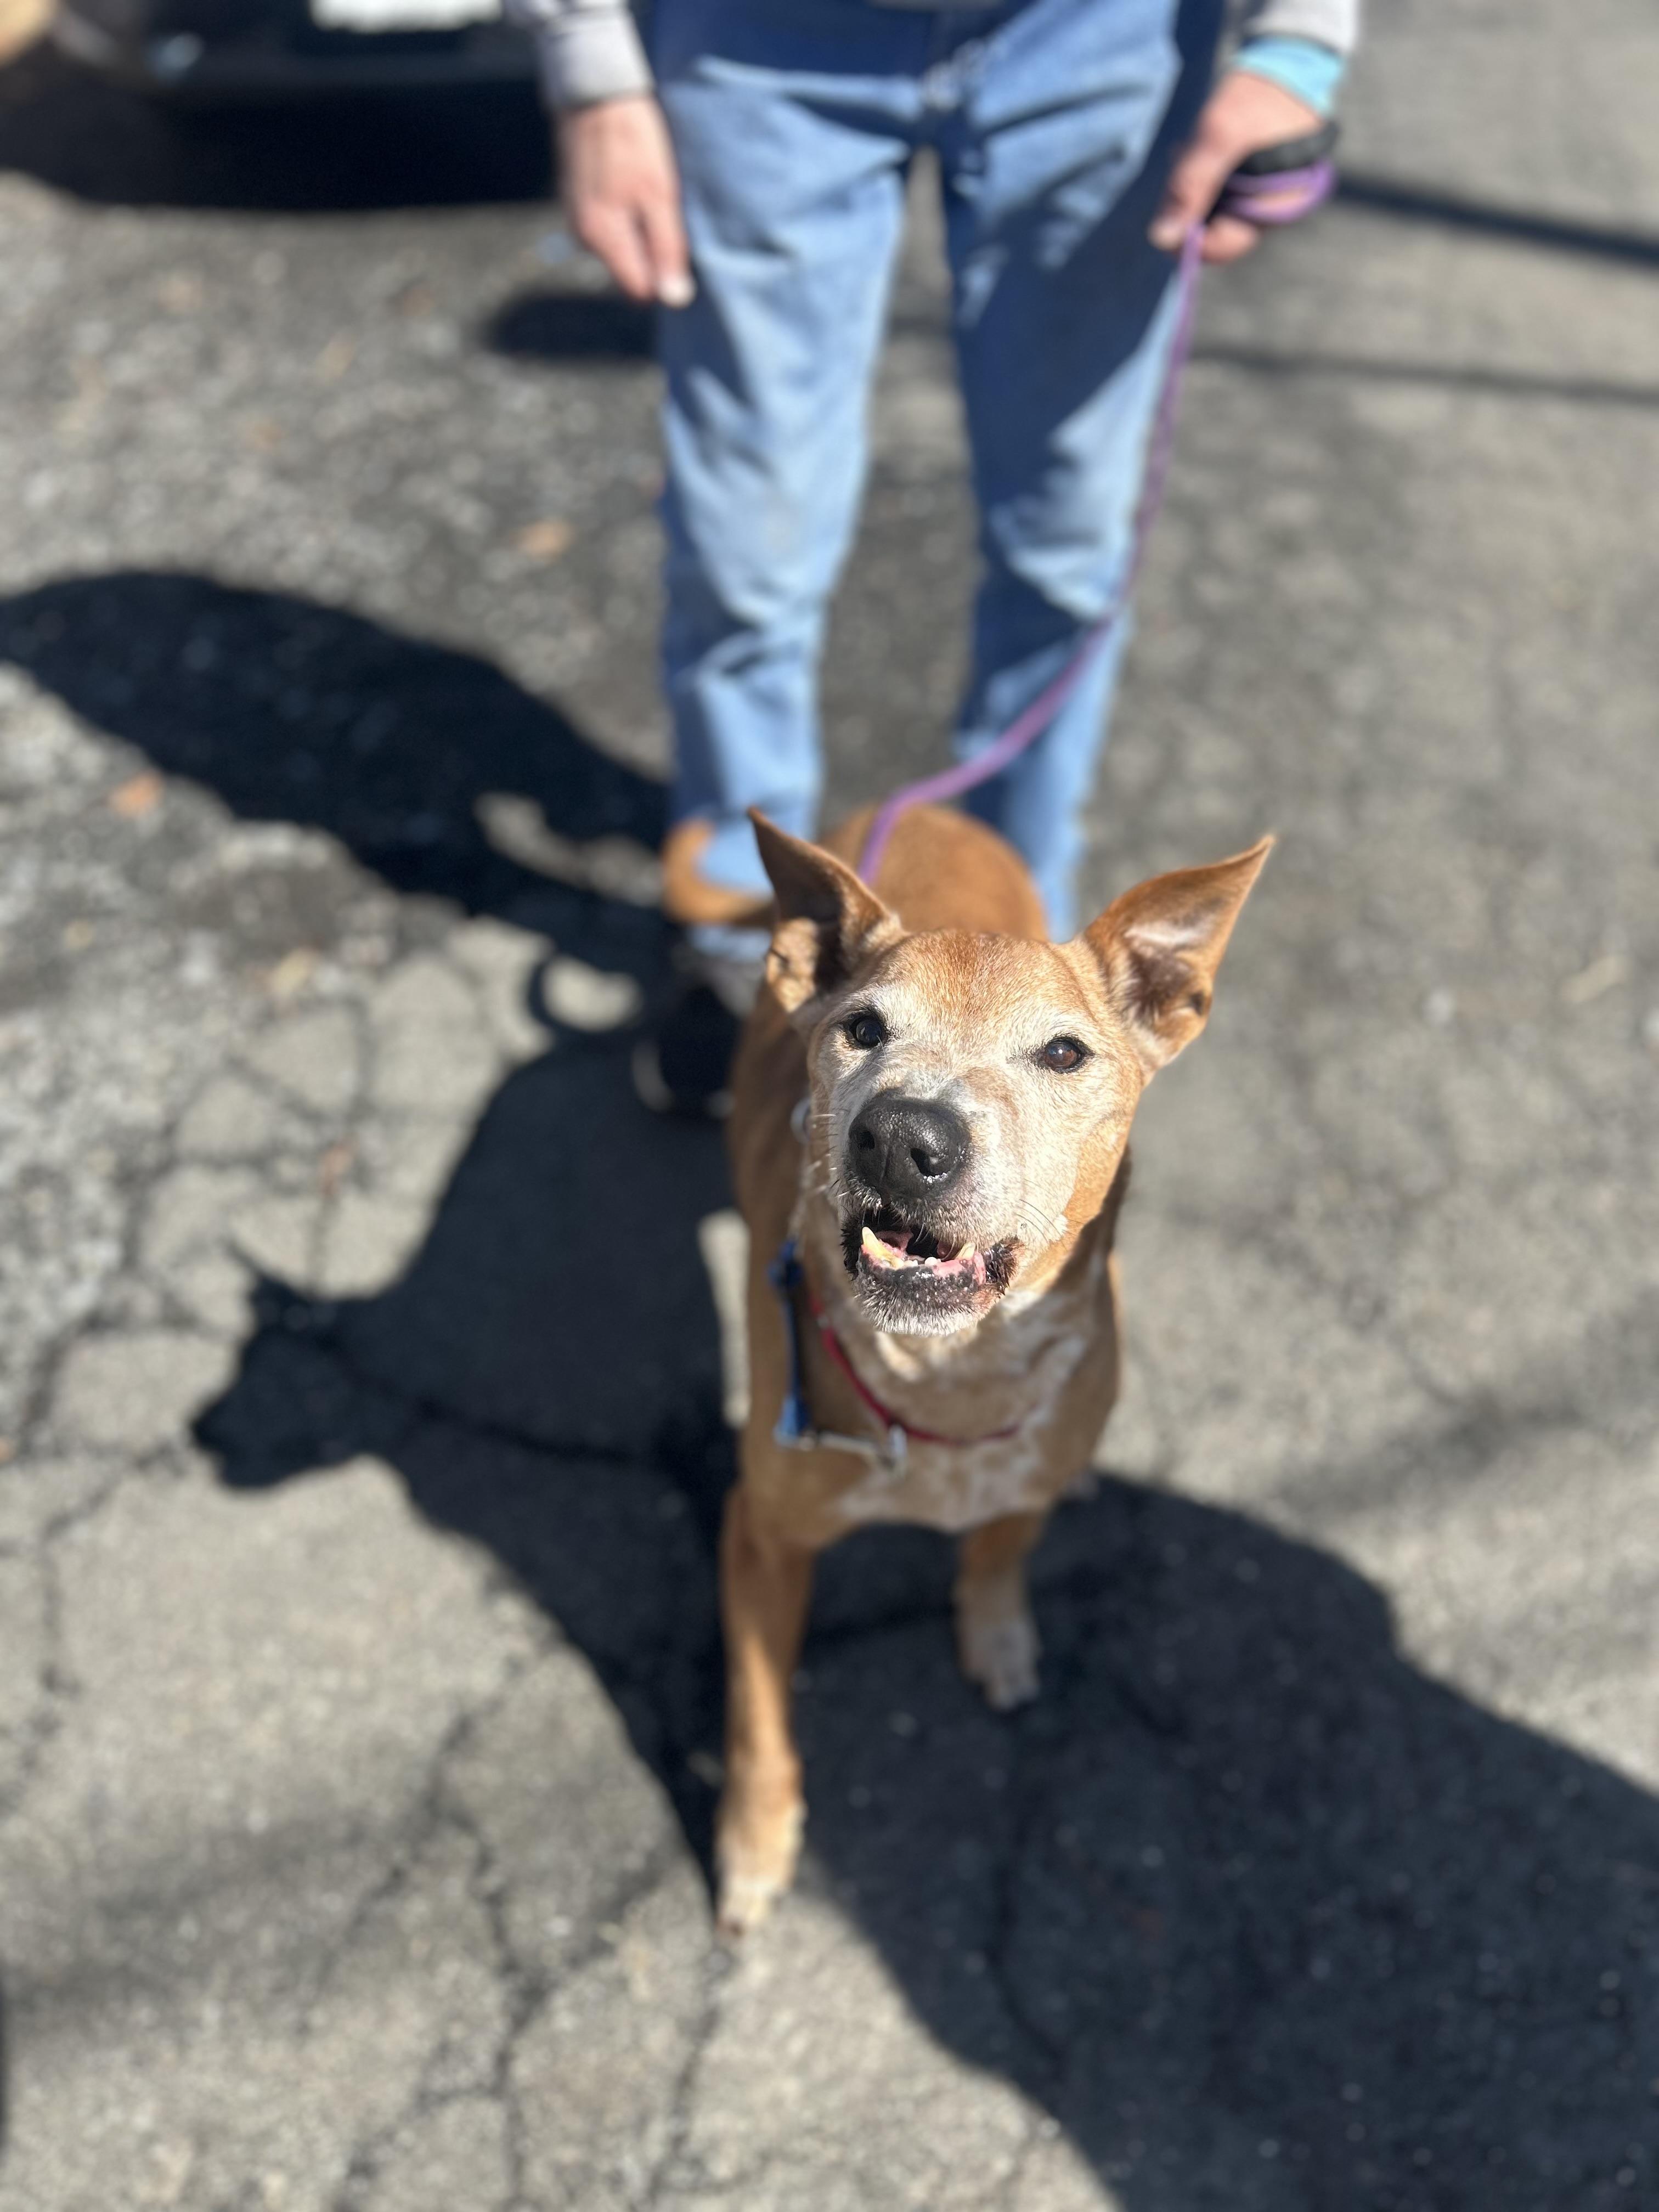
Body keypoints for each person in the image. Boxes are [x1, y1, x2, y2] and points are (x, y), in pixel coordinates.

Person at [506, 0, 1360, 1113]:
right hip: (752, 44)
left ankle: (1012, 936)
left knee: (1069, 553)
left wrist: (1302, 37)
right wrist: (589, 55)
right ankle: (746, 937)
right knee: (743, 554)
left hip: (1103, 37)